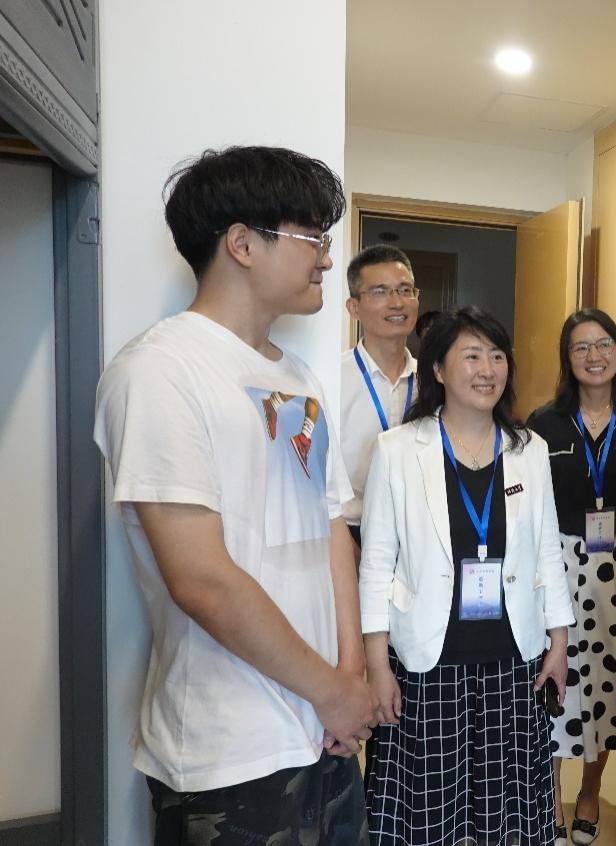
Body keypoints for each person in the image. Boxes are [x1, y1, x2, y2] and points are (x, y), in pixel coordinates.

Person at [93, 146, 375, 844]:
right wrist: (332, 691)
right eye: (312, 237)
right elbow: (202, 580)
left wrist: (349, 677)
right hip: (227, 753)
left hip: (323, 732)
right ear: (242, 244)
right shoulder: (159, 371)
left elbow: (331, 529)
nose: (327, 259)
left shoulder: (299, 376)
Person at [359, 306, 576, 846]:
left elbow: (548, 551)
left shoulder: (529, 450)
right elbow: (376, 564)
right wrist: (376, 666)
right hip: (428, 661)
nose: (488, 370)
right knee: (428, 815)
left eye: (497, 356)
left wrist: (559, 642)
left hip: (513, 659)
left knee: (506, 814)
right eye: (472, 356)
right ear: (438, 369)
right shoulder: (397, 450)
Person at [527, 308, 616, 845]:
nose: (594, 356)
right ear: (568, 358)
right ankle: (551, 801)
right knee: (556, 680)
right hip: (556, 559)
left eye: (604, 344)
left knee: (608, 683)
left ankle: (589, 792)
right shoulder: (544, 423)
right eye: (581, 347)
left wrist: (602, 533)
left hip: (614, 570)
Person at [340, 245, 420, 548]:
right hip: (349, 534)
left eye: (405, 290)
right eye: (380, 292)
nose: (397, 303)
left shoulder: (436, 382)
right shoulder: (331, 379)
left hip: (418, 535)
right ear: (354, 308)